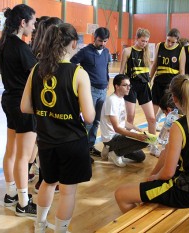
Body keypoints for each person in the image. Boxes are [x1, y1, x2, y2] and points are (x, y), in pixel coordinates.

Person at [115, 75, 189, 213]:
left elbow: (168, 173)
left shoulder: (179, 126)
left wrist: (154, 178)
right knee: (145, 190)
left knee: (121, 194)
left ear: (174, 99)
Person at [21, 23, 95, 233]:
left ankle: (39, 226)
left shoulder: (37, 69)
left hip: (46, 141)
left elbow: (25, 106)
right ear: (73, 43)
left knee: (47, 183)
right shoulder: (78, 73)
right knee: (68, 192)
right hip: (72, 141)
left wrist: (47, 112)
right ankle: (60, 230)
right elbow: (89, 116)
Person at [0, 4, 37, 216]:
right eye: (33, 22)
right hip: (23, 104)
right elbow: (38, 75)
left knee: (11, 150)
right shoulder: (21, 47)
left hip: (9, 100)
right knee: (23, 156)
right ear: (23, 23)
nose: (34, 26)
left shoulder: (4, 44)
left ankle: (11, 193)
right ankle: (23, 203)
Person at [31, 16, 63, 194]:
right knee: (47, 144)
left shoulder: (38, 50)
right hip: (47, 103)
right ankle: (44, 180)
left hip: (40, 103)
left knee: (41, 143)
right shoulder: (46, 54)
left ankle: (41, 176)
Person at [71, 27, 111, 162]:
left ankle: (90, 146)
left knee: (97, 121)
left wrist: (107, 82)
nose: (102, 44)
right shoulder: (85, 51)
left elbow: (106, 68)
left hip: (103, 90)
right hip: (90, 91)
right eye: (100, 40)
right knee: (88, 121)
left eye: (105, 41)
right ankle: (81, 149)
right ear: (94, 38)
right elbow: (71, 63)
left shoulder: (106, 52)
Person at [119, 28, 157, 156]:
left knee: (151, 118)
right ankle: (125, 144)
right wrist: (120, 88)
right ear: (136, 38)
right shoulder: (128, 51)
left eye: (146, 41)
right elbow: (121, 71)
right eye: (142, 41)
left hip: (144, 87)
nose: (144, 43)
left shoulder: (147, 52)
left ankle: (152, 143)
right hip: (131, 86)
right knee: (130, 117)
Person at [100, 74, 148, 167]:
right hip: (112, 138)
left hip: (119, 136)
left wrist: (138, 130)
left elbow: (122, 122)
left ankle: (111, 150)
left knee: (140, 157)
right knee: (144, 141)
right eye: (125, 85)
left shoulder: (121, 98)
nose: (128, 88)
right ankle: (115, 152)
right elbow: (117, 128)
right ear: (117, 86)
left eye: (129, 85)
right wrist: (136, 136)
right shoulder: (112, 101)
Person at [149, 28, 185, 137]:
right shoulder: (159, 46)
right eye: (168, 40)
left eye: (172, 42)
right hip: (158, 84)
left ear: (177, 41)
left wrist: (180, 87)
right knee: (152, 116)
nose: (169, 43)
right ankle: (152, 143)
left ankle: (163, 140)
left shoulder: (180, 49)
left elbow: (182, 70)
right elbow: (155, 64)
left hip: (170, 86)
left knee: (170, 117)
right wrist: (149, 79)